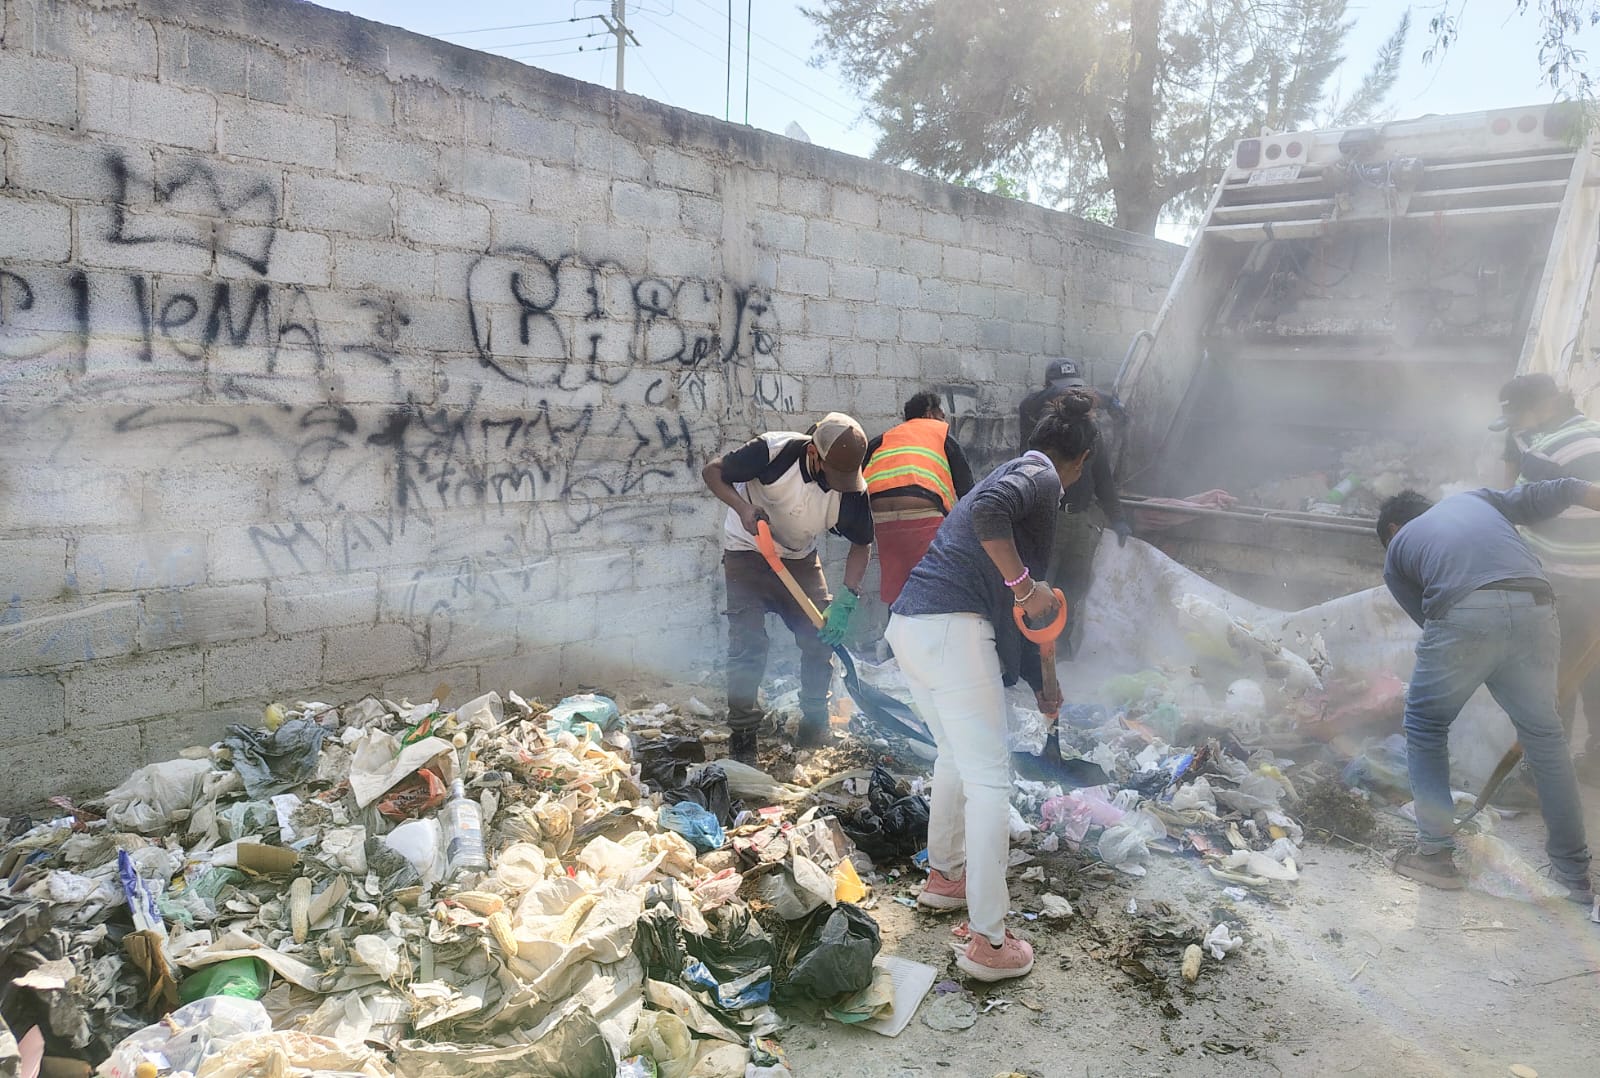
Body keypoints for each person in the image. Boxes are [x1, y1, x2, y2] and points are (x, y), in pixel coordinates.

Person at [886, 392, 1098, 982]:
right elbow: (990, 519)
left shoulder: (1018, 477)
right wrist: (1025, 585)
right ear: (1080, 460)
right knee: (989, 782)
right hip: (951, 629)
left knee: (955, 757)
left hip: (911, 627)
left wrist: (1046, 683)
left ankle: (944, 878)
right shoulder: (1037, 474)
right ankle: (989, 941)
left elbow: (1035, 617)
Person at [1376, 479, 1600, 899]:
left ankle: (1434, 856)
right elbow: (1550, 494)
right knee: (1546, 738)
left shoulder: (1397, 551)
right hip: (1537, 603)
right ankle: (1573, 875)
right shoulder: (1475, 499)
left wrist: (1477, 666)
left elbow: (1435, 622)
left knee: (1425, 725)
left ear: (1392, 530)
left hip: (1466, 612)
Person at [702, 413, 874, 765]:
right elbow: (712, 472)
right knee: (748, 644)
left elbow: (862, 543)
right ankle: (743, 737)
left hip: (798, 558)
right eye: (833, 475)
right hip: (747, 551)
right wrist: (743, 508)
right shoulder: (774, 451)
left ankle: (814, 725)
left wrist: (847, 597)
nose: (838, 486)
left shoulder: (853, 492)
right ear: (813, 453)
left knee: (819, 639)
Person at [1491, 374, 1600, 780]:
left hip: (1565, 584)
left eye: (1519, 416)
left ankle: (1542, 777)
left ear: (1543, 406)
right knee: (1593, 671)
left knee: (1552, 677)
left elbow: (1515, 512)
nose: (1518, 427)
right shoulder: (1593, 432)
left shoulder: (1546, 452)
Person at [1017, 358, 1131, 657]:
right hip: (1047, 519)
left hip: (1080, 520)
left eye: (1075, 390)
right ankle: (1030, 651)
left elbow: (1103, 478)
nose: (1070, 395)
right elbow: (1031, 402)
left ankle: (1062, 645)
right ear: (1049, 390)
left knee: (1073, 587)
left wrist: (1118, 518)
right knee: (1040, 585)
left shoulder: (1090, 431)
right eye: (1062, 390)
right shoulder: (1040, 425)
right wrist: (1098, 396)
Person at [863, 390, 976, 605]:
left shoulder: (884, 439)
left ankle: (895, 627)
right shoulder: (940, 433)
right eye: (942, 415)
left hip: (882, 521)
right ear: (929, 414)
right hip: (924, 517)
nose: (944, 421)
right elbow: (967, 492)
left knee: (898, 592)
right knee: (930, 588)